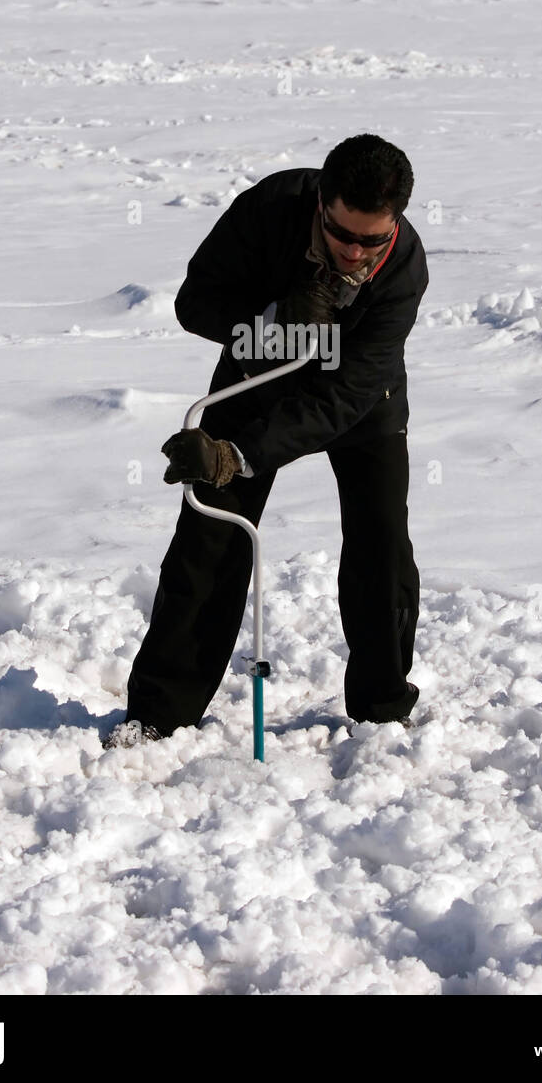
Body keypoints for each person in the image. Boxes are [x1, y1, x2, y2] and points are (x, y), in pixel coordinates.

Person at [103, 134, 429, 749]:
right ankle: (160, 715)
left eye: (372, 240)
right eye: (343, 235)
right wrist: (273, 318)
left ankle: (382, 709)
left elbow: (345, 396)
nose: (356, 252)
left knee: (381, 544)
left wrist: (241, 454)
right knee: (209, 538)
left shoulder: (405, 268)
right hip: (255, 374)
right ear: (321, 204)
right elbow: (193, 303)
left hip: (360, 399)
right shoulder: (268, 209)